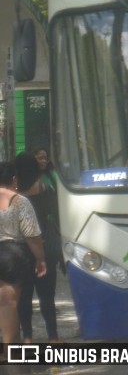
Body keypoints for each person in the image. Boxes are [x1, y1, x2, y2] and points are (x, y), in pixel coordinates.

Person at [15, 151, 62, 343]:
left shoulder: (13, 195)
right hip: (44, 246)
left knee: (24, 297)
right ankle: (53, 337)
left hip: (20, 250)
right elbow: (56, 215)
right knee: (47, 295)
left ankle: (27, 337)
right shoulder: (44, 189)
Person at [0, 161, 46, 357]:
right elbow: (32, 235)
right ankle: (13, 354)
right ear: (13, 179)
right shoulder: (19, 201)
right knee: (11, 304)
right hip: (12, 256)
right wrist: (41, 259)